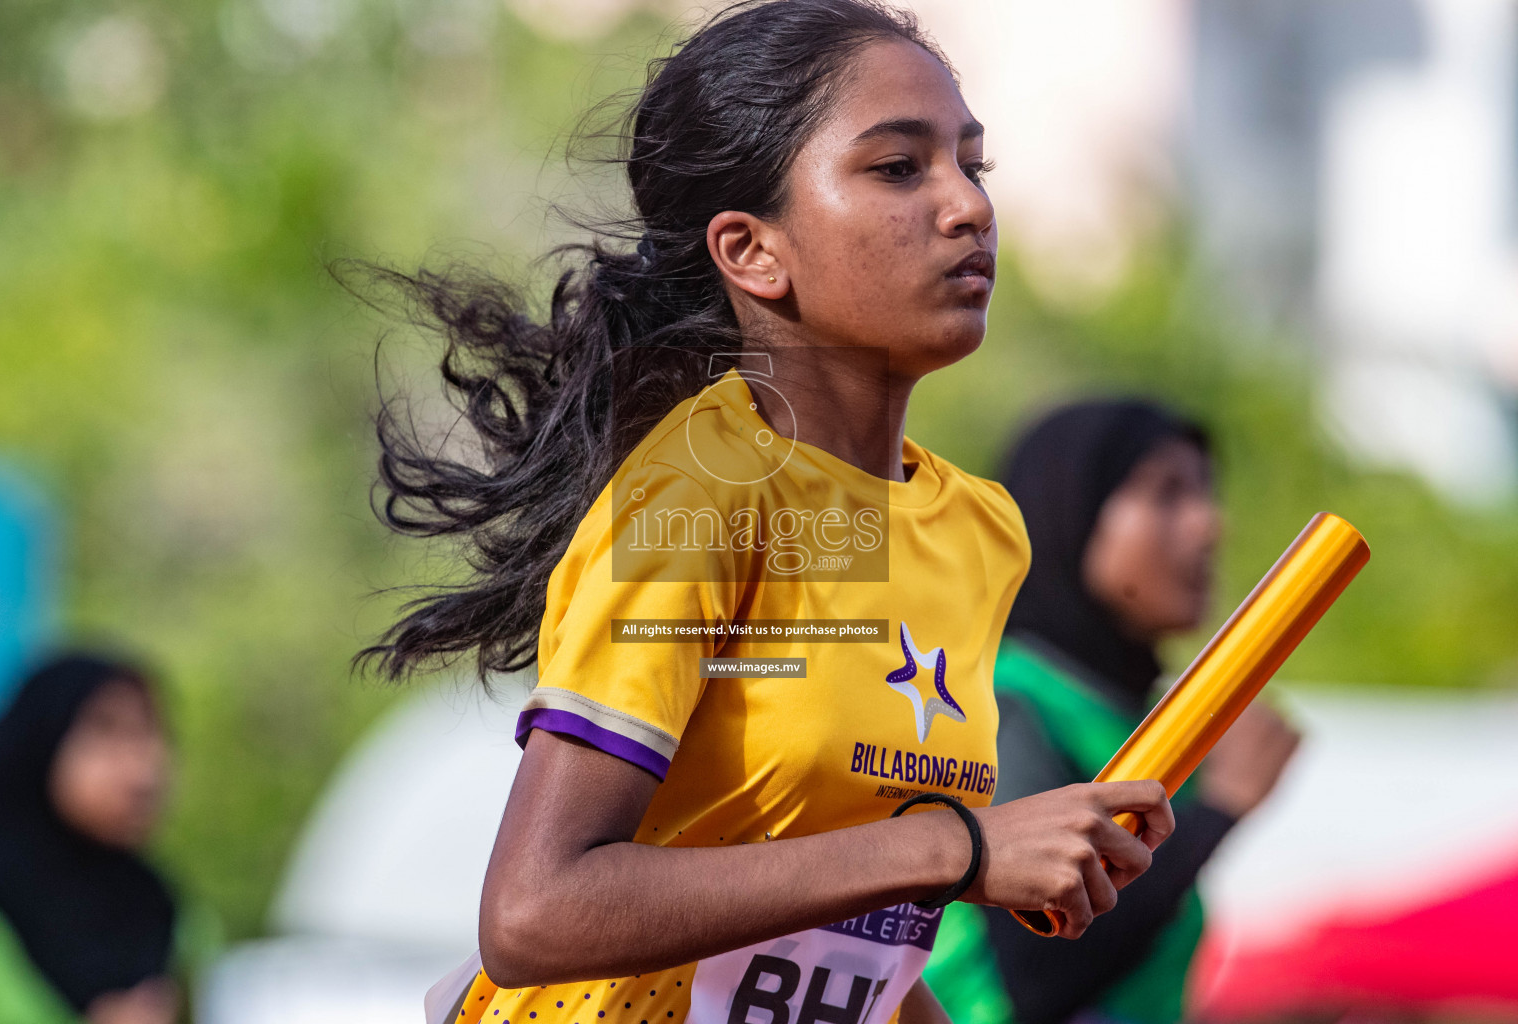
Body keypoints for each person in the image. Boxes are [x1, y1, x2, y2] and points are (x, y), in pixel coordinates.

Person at [363, 4, 1177, 1022]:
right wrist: (960, 849)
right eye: (898, 168)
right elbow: (532, 913)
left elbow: (856, 950)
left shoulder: (979, 529)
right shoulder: (697, 496)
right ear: (751, 251)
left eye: (974, 166)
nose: (967, 206)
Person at [923, 399, 1302, 1024]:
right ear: (1069, 511)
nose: (1209, 524)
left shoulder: (1136, 719)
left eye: (1206, 493)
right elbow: (1039, 968)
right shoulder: (1002, 706)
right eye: (1166, 493)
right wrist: (1218, 810)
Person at [0, 654, 180, 1024]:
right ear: (40, 738)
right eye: (106, 732)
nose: (143, 770)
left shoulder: (161, 910)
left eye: (149, 733)